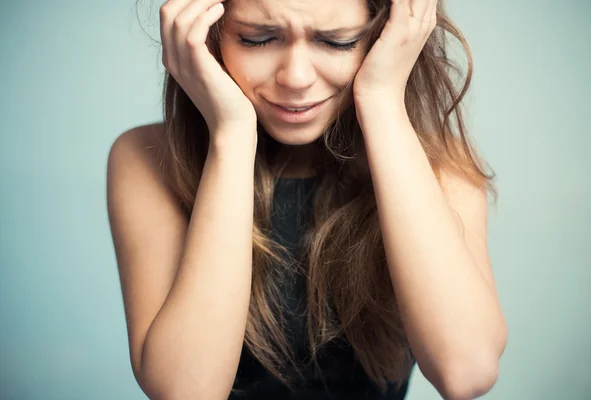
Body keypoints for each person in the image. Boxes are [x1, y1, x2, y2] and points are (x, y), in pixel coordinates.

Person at [107, 0, 508, 398]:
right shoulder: (148, 158)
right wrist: (230, 134)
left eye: (337, 42)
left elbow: (466, 372)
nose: (296, 78)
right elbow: (185, 392)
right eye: (257, 39)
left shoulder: (440, 167)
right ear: (208, 34)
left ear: (388, 34)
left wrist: (382, 99)